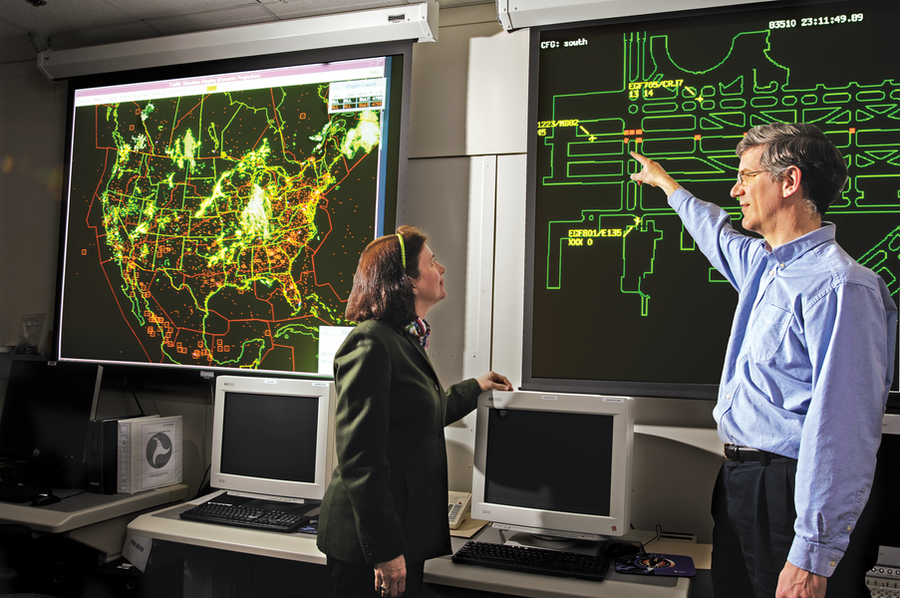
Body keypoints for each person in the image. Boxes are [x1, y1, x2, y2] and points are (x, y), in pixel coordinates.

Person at [630, 122, 896, 598]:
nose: (735, 190)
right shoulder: (763, 267)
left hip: (791, 492)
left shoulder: (843, 287)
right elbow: (713, 231)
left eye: (747, 177)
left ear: (789, 182)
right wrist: (668, 186)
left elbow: (843, 428)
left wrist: (812, 553)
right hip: (738, 482)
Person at [316, 225, 512, 598]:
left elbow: (417, 414)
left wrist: (476, 387)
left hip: (398, 533)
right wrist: (385, 551)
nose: (441, 269)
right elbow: (361, 461)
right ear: (405, 281)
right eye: (432, 262)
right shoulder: (370, 341)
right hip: (369, 546)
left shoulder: (401, 338)